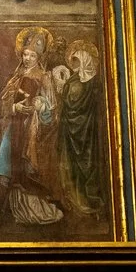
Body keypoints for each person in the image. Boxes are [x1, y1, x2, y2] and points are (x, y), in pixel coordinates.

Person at [0, 39, 64, 225]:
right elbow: (3, 101)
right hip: (16, 127)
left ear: (39, 57)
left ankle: (36, 210)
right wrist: (14, 107)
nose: (27, 58)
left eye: (32, 55)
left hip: (33, 130)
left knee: (28, 167)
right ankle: (18, 209)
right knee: (14, 164)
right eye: (25, 54)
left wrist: (41, 107)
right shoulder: (16, 75)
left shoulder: (43, 76)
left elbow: (52, 109)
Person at [55, 46, 105, 214]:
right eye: (72, 61)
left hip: (83, 132)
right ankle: (75, 199)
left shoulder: (82, 83)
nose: (73, 64)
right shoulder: (79, 80)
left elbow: (72, 104)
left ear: (85, 62)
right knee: (73, 165)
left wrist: (62, 89)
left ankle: (85, 200)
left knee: (84, 163)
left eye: (76, 61)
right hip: (74, 130)